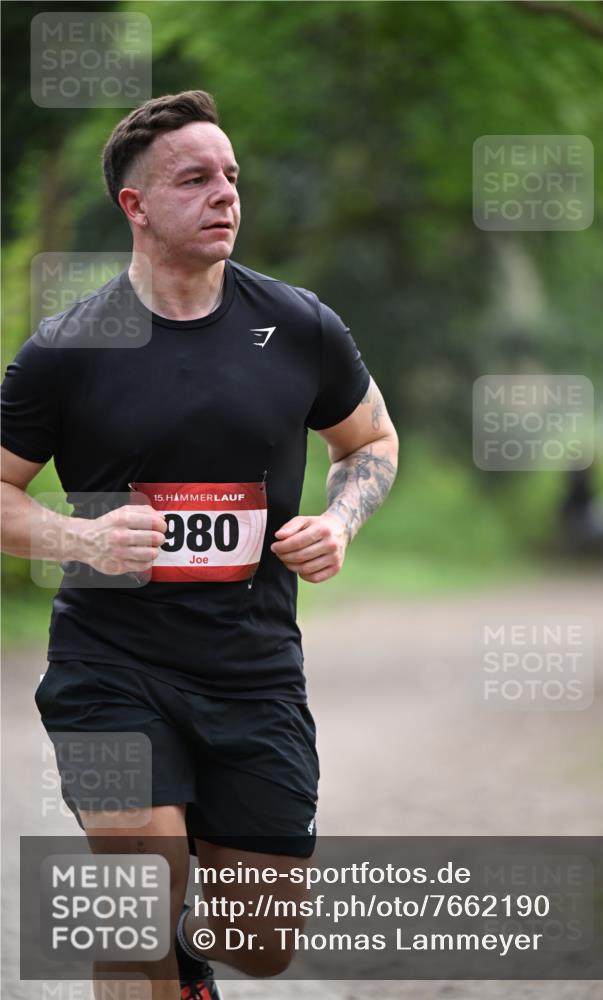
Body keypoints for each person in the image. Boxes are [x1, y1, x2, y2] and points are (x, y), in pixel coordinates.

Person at [1, 90, 399, 999]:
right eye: (194, 179)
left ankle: (189, 958)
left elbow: (370, 441)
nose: (224, 194)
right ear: (134, 205)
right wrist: (81, 535)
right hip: (108, 664)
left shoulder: (300, 327)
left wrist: (339, 521)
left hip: (251, 671)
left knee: (259, 939)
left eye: (231, 176)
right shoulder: (65, 351)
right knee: (135, 893)